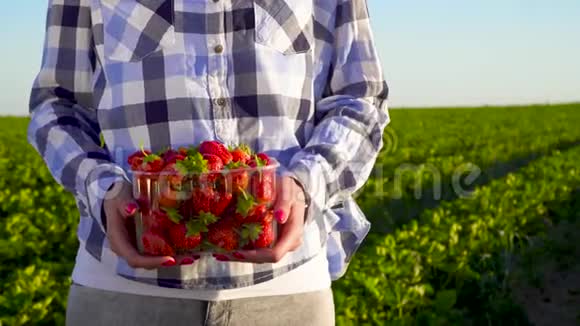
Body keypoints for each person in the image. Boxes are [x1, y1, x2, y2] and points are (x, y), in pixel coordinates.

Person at [28, 0, 389, 325]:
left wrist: (306, 184)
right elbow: (58, 105)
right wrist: (103, 188)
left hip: (286, 293)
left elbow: (359, 97)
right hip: (124, 294)